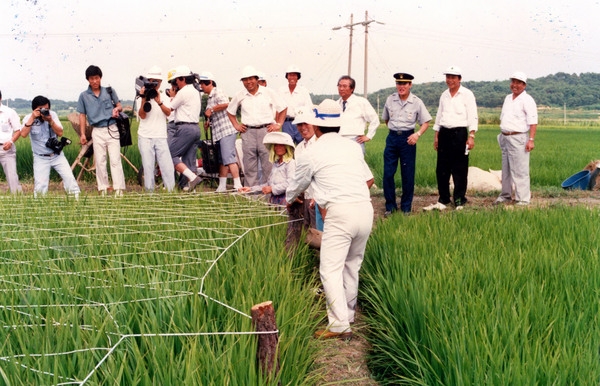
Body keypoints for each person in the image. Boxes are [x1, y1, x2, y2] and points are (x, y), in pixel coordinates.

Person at [286, 99, 374, 340]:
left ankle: (339, 326)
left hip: (340, 213)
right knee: (352, 264)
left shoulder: (312, 152)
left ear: (316, 125)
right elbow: (369, 179)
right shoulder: (353, 147)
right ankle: (348, 314)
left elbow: (296, 186)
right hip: (365, 210)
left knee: (330, 269)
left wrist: (290, 198)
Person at [424, 65, 478, 211]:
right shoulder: (444, 95)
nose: (450, 80)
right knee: (442, 168)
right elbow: (439, 116)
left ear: (459, 79)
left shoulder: (467, 94)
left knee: (459, 168)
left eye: (453, 77)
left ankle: (459, 200)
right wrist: (436, 136)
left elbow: (473, 116)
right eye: (448, 77)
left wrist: (471, 136)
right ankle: (443, 199)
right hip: (444, 133)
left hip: (459, 134)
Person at [227, 65, 287, 187]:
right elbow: (230, 111)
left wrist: (278, 124)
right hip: (248, 132)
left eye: (251, 79)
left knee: (268, 165)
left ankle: (268, 196)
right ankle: (252, 197)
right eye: (245, 79)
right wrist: (236, 125)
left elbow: (283, 107)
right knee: (249, 167)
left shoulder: (268, 92)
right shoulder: (240, 94)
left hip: (266, 131)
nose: (248, 82)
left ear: (256, 79)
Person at [382, 73, 432, 216]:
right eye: (399, 83)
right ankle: (390, 207)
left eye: (404, 84)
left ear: (410, 85)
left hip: (408, 139)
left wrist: (417, 135)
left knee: (407, 174)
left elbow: (426, 122)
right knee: (388, 173)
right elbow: (386, 119)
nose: (401, 87)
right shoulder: (390, 99)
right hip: (392, 138)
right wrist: (395, 132)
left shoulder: (416, 102)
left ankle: (405, 208)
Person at [77, 65, 126, 196]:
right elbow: (82, 115)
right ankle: (103, 188)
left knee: (115, 160)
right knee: (100, 161)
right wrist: (82, 134)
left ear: (100, 78)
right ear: (88, 80)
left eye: (97, 78)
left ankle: (119, 189)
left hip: (112, 128)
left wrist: (117, 109)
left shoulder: (109, 91)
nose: (94, 81)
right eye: (91, 78)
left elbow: (119, 105)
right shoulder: (83, 96)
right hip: (97, 130)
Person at [21, 95, 80, 198]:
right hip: (40, 157)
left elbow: (60, 133)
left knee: (69, 178)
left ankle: (76, 200)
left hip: (57, 155)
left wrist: (50, 121)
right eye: (41, 109)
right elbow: (23, 134)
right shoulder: (28, 118)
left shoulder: (52, 115)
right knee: (40, 186)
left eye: (47, 109)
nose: (45, 111)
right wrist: (32, 117)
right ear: (35, 109)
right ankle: (40, 206)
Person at [495, 71, 538, 206]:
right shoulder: (508, 98)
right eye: (513, 82)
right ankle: (505, 195)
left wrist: (531, 140)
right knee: (506, 169)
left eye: (518, 83)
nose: (515, 85)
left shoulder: (527, 100)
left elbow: (533, 121)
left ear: (524, 85)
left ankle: (523, 199)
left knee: (520, 170)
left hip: (518, 137)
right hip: (505, 136)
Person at [199, 71, 243, 192]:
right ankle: (222, 186)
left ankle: (237, 184)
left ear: (210, 83)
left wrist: (212, 110)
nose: (201, 86)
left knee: (228, 157)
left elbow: (226, 104)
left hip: (226, 130)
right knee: (222, 160)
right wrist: (209, 121)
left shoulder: (218, 92)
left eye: (203, 83)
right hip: (218, 132)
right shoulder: (209, 98)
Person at [136, 66, 176, 192]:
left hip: (161, 136)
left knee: (167, 166)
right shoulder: (140, 96)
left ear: (161, 82)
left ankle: (170, 192)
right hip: (145, 136)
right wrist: (143, 98)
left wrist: (159, 102)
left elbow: (168, 113)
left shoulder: (164, 96)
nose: (155, 84)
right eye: (152, 81)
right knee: (148, 167)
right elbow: (142, 115)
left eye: (157, 82)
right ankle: (150, 194)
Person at [166, 65, 203, 191]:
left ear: (182, 79)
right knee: (189, 159)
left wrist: (171, 96)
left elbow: (170, 108)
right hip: (196, 128)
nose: (175, 83)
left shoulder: (182, 92)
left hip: (185, 128)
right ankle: (188, 188)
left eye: (176, 80)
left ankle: (192, 178)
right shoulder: (195, 91)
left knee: (169, 155)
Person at [238, 131, 295, 205]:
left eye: (281, 145)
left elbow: (291, 183)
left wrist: (272, 189)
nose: (278, 148)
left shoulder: (290, 163)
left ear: (287, 147)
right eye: (276, 145)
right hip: (274, 199)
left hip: (286, 199)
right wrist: (251, 189)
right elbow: (268, 184)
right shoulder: (276, 163)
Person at [336, 75, 380, 152]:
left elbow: (375, 120)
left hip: (355, 140)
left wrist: (368, 136)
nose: (341, 88)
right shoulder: (335, 104)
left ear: (352, 88)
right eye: (339, 86)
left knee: (355, 163)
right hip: (338, 141)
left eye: (344, 86)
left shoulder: (361, 102)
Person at [278, 65, 313, 144]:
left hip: (300, 123)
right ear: (287, 77)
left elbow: (309, 108)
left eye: (294, 75)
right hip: (286, 123)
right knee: (287, 146)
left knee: (303, 144)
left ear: (298, 77)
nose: (292, 77)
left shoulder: (303, 91)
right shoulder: (281, 90)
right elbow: (277, 108)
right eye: (290, 75)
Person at [0, 90, 23, 194]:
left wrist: (11, 141)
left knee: (12, 176)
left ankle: (18, 199)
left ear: (0, 98)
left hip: (6, 148)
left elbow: (18, 131)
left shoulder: (9, 112)